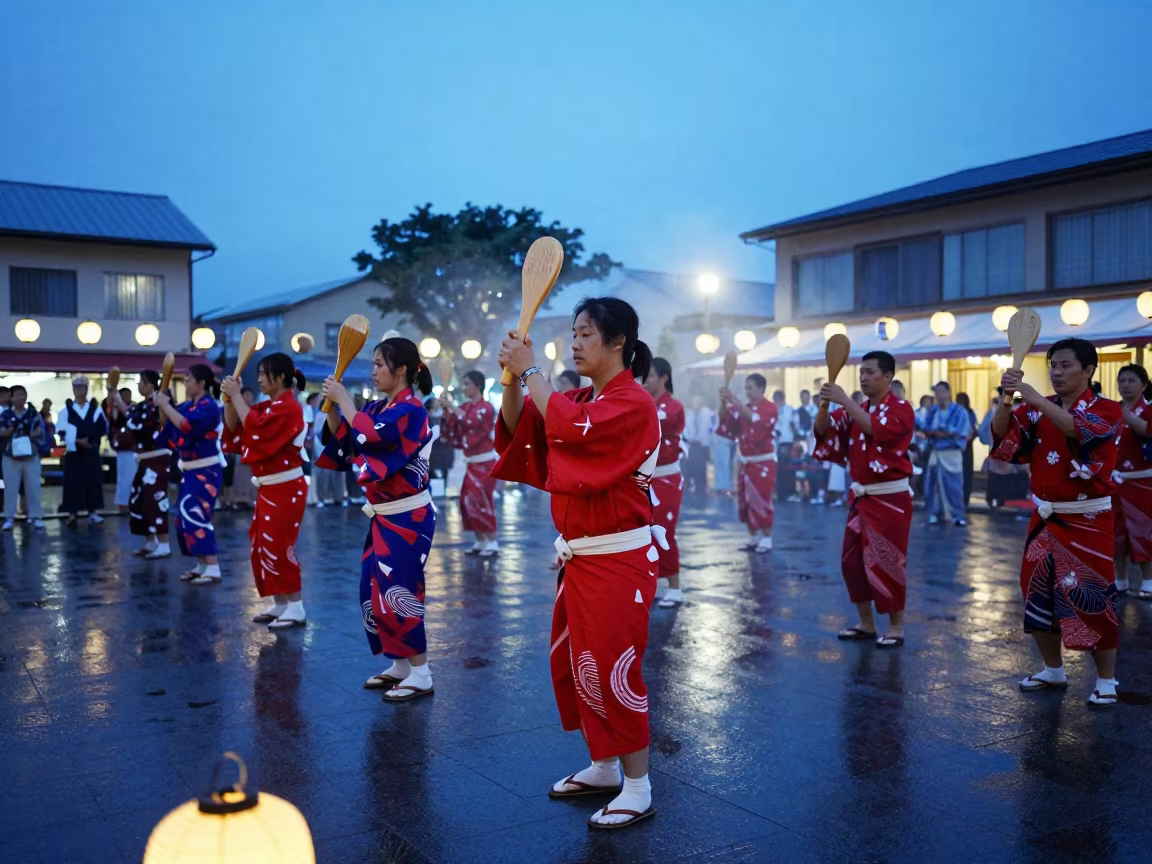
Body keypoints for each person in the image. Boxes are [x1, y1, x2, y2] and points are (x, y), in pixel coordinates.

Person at [494, 297, 662, 830]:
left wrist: (533, 370)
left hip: (618, 559)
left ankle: (638, 785)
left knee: (614, 669)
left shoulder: (632, 402)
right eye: (574, 333)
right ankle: (604, 765)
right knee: (579, 664)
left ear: (619, 343)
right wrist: (512, 382)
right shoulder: (579, 397)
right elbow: (528, 427)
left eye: (586, 334)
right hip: (583, 558)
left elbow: (568, 426)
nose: (575, 342)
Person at [991, 338, 1121, 707]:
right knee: (1035, 593)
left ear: (1089, 371)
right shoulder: (1037, 407)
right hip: (1045, 517)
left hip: (1088, 519)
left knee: (1095, 596)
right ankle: (1052, 668)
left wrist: (1031, 396)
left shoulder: (1106, 409)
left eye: (1065, 365)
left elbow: (1080, 431)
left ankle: (1107, 679)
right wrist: (1006, 397)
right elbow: (1004, 439)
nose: (1057, 371)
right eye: (1053, 365)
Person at [318, 337, 437, 702]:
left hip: (408, 515)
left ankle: (421, 671)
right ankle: (400, 663)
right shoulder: (376, 406)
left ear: (401, 370)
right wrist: (335, 410)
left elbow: (372, 436)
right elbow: (348, 441)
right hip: (384, 516)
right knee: (372, 590)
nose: (372, 371)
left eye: (379, 365)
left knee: (399, 591)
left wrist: (344, 402)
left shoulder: (412, 409)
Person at [815, 351, 915, 649]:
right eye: (862, 372)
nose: (864, 377)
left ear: (888, 377)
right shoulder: (855, 409)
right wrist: (824, 406)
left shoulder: (901, 408)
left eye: (871, 372)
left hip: (891, 498)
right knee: (852, 562)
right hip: (861, 498)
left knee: (888, 561)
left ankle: (895, 626)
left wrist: (844, 400)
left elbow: (878, 431)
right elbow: (824, 432)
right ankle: (866, 623)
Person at [222, 353, 310, 629]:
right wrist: (230, 399)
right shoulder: (269, 406)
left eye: (263, 373)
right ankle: (281, 602)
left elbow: (255, 427)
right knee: (261, 544)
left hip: (285, 486)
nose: (259, 379)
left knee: (278, 544)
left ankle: (296, 606)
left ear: (281, 377)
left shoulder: (289, 408)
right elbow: (236, 425)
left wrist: (236, 396)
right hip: (271, 487)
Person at [154, 364, 223, 584]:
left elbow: (185, 427)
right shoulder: (187, 406)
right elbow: (169, 425)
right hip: (191, 470)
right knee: (183, 518)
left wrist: (166, 404)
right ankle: (202, 564)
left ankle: (212, 566)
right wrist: (163, 405)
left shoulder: (210, 407)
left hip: (206, 470)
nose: (185, 384)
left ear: (201, 384)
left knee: (196, 514)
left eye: (188, 380)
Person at [110, 371, 171, 557]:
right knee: (139, 499)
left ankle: (164, 543)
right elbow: (129, 414)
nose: (138, 386)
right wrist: (113, 392)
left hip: (158, 457)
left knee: (155, 499)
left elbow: (142, 422)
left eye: (141, 383)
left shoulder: (161, 402)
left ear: (150, 385)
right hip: (144, 458)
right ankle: (151, 541)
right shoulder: (144, 405)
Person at [440, 370, 500, 555]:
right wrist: (446, 409)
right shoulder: (465, 406)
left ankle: (492, 542)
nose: (464, 387)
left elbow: (472, 423)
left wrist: (452, 406)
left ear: (477, 386)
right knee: (467, 502)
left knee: (481, 501)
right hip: (472, 463)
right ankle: (481, 540)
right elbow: (455, 425)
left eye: (467, 384)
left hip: (485, 464)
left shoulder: (487, 408)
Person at [717, 374, 778, 552]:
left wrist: (733, 399)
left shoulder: (769, 408)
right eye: (746, 388)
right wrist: (723, 401)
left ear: (761, 389)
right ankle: (752, 536)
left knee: (761, 499)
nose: (748, 392)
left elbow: (754, 419)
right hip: (745, 461)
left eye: (751, 388)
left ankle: (767, 538)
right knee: (745, 501)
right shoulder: (743, 408)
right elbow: (725, 420)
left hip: (763, 462)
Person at [644, 357, 686, 608]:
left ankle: (675, 587)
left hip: (667, 478)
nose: (646, 381)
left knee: (664, 530)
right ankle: (648, 584)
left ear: (664, 378)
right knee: (642, 532)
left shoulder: (673, 406)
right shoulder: (645, 403)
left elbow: (656, 420)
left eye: (650, 376)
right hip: (644, 479)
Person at [1113, 364, 1152, 596]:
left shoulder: (1148, 411)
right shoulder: (1112, 410)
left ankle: (1148, 581)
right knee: (1115, 534)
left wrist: (1125, 417)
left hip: (1141, 484)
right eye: (1122, 381)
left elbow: (1147, 431)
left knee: (1143, 531)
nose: (1125, 385)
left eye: (1131, 381)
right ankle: (1120, 579)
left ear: (1144, 385)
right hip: (1114, 483)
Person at [919, 381, 971, 527]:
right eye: (937, 392)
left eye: (942, 392)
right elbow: (926, 428)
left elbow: (962, 432)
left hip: (951, 453)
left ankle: (957, 514)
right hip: (936, 452)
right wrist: (937, 433)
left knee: (954, 486)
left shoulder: (959, 411)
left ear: (949, 393)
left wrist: (943, 433)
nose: (940, 395)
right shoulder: (932, 411)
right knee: (932, 484)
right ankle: (934, 513)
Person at [57, 376, 107, 523]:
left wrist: (90, 440)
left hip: (91, 450)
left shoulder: (95, 410)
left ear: (86, 389)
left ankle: (93, 511)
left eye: (82, 387)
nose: (80, 390)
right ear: (73, 390)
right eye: (77, 388)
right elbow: (61, 430)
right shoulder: (66, 411)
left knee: (93, 479)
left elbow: (102, 428)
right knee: (73, 481)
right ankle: (72, 512)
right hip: (73, 451)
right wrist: (77, 440)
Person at [1, 385, 46, 530]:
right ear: (11, 397)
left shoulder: (33, 413)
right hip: (10, 456)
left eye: (23, 394)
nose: (21, 397)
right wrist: (7, 432)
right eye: (18, 395)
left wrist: (34, 434)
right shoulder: (5, 415)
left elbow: (40, 429)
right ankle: (9, 517)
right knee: (10, 488)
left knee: (33, 487)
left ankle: (35, 516)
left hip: (30, 455)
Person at [310, 392, 344, 507]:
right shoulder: (320, 415)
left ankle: (338, 497)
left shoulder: (339, 413)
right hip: (322, 447)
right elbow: (316, 432)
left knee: (337, 474)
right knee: (323, 475)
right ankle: (322, 498)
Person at [681, 395, 715, 494]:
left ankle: (701, 489)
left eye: (698, 403)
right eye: (694, 403)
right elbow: (685, 430)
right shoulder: (689, 414)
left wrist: (706, 441)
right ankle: (687, 487)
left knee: (700, 470)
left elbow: (711, 429)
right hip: (690, 446)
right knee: (687, 469)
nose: (696, 405)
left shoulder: (708, 414)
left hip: (702, 446)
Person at [956, 392, 979, 509]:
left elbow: (974, 430)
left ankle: (963, 499)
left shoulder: (966, 413)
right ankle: (964, 499)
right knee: (964, 473)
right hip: (963, 446)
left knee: (964, 473)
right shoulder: (965, 413)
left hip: (963, 446)